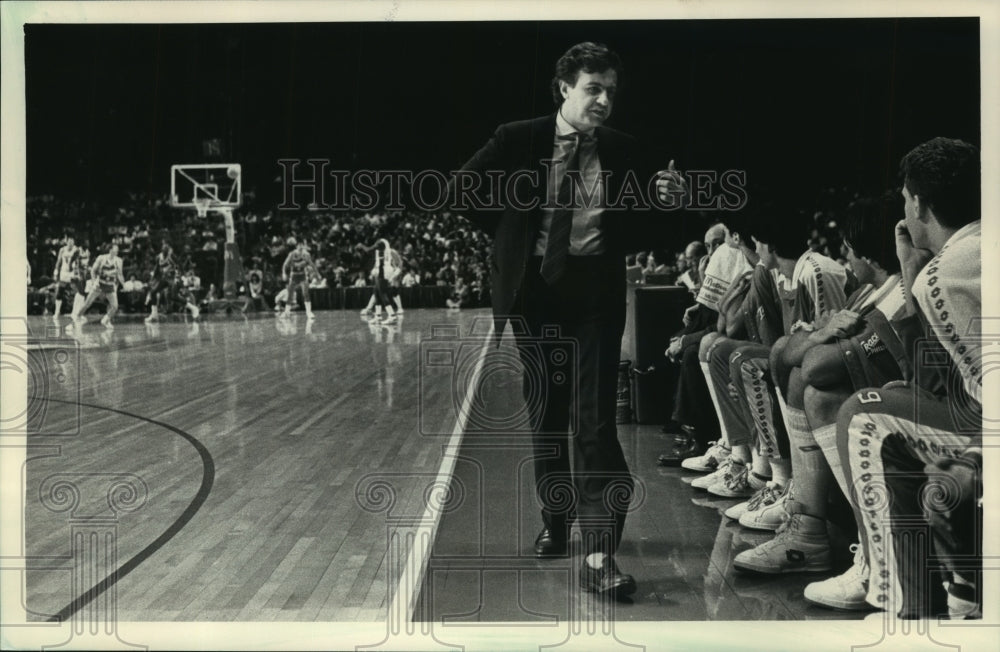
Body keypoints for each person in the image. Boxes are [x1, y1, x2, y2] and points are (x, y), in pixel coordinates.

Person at [449, 41, 685, 598]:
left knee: (596, 419)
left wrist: (665, 198)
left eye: (610, 92)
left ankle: (600, 544)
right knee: (548, 414)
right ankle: (556, 520)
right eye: (593, 88)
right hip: (534, 291)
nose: (603, 100)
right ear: (564, 88)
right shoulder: (518, 137)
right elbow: (460, 187)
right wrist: (510, 237)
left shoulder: (624, 150)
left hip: (595, 295)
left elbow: (653, 214)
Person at [805, 137, 982, 618]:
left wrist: (909, 273)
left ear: (920, 203)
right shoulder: (977, 246)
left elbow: (940, 382)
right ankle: (949, 590)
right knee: (891, 398)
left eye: (906, 196)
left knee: (864, 415)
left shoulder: (945, 271)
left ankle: (905, 606)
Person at [72, 243, 125, 329]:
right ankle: (76, 319)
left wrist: (124, 284)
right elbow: (93, 271)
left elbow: (120, 274)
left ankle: (105, 320)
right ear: (111, 250)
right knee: (87, 303)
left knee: (115, 306)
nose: (117, 251)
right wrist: (93, 282)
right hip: (99, 284)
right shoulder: (101, 258)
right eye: (116, 249)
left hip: (110, 285)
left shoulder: (119, 260)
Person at [281, 239, 317, 319]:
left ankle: (309, 312)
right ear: (296, 246)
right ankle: (286, 312)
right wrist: (284, 273)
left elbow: (312, 264)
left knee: (305, 293)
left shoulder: (306, 254)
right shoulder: (292, 254)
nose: (300, 246)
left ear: (304, 245)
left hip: (303, 276)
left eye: (302, 245)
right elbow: (285, 265)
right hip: (294, 276)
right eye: (299, 245)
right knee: (290, 294)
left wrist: (317, 274)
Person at [52, 233, 80, 322]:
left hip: (72, 273)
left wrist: (77, 272)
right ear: (66, 241)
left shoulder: (77, 250)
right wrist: (56, 271)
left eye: (72, 241)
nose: (71, 243)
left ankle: (75, 312)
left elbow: (78, 262)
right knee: (60, 292)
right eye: (69, 241)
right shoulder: (62, 250)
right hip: (63, 272)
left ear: (74, 242)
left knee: (77, 292)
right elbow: (58, 261)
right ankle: (57, 312)